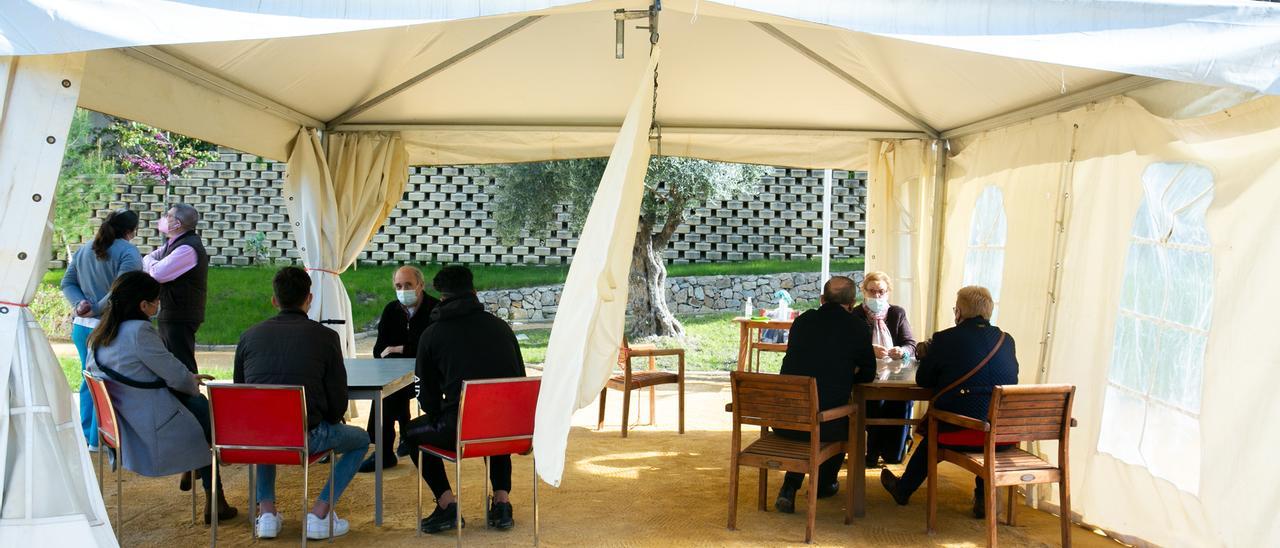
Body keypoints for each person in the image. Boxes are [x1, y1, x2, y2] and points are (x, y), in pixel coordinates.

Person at [85, 271, 238, 523]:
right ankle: (216, 492)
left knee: (196, 407)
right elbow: (176, 376)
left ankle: (199, 472)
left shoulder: (100, 335)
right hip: (151, 424)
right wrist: (190, 382)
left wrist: (185, 381)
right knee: (204, 413)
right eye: (156, 300)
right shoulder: (139, 332)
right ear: (143, 305)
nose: (159, 305)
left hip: (121, 422)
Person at [233, 267, 369, 540]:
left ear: (275, 300)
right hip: (307, 436)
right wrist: (330, 419)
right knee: (361, 440)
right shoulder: (327, 337)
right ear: (309, 298)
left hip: (260, 438)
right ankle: (319, 514)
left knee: (266, 424)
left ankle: (267, 512)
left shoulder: (248, 337)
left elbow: (241, 392)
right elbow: (337, 402)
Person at [404, 265, 526, 534]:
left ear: (442, 297)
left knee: (411, 433)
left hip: (460, 430)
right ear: (474, 292)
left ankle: (447, 505)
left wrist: (438, 413)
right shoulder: (503, 329)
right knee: (494, 418)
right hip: (508, 430)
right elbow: (519, 380)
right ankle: (502, 503)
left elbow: (427, 396)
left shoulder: (432, 335)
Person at [880, 286, 1018, 519]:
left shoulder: (945, 339)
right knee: (984, 418)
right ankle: (983, 499)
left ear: (959, 312)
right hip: (1003, 434)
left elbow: (924, 380)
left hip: (960, 430)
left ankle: (903, 489)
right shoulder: (1006, 340)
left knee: (935, 427)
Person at [772, 276, 877, 514]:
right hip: (824, 425)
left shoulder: (803, 321)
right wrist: (848, 374)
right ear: (852, 303)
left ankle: (790, 486)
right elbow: (868, 374)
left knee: (812, 415)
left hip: (785, 420)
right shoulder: (857, 327)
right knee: (841, 419)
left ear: (822, 299)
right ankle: (824, 484)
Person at [62, 208, 142, 450]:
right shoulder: (128, 252)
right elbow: (122, 291)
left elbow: (67, 282)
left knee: (88, 380)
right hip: (110, 326)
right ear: (131, 231)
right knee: (107, 380)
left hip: (82, 327)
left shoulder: (85, 248)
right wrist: (96, 309)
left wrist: (80, 305)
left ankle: (88, 436)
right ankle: (103, 438)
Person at [360, 266, 440, 473]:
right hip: (395, 373)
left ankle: (385, 450)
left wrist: (398, 348)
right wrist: (400, 350)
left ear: (420, 285)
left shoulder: (435, 309)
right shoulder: (391, 310)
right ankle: (402, 436)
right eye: (398, 286)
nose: (403, 289)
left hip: (427, 375)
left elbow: (429, 348)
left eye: (408, 285)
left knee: (390, 393)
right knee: (386, 390)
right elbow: (380, 349)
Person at [850, 271, 918, 467]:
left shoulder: (897, 313)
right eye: (872, 291)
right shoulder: (856, 315)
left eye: (881, 291)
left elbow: (911, 344)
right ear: (864, 292)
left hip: (896, 374)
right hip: (867, 374)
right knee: (875, 402)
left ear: (888, 292)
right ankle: (871, 452)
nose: (877, 296)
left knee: (903, 400)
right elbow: (849, 346)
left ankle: (893, 452)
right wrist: (868, 350)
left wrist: (901, 350)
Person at [142, 204, 209, 373]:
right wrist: (151, 264)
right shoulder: (174, 244)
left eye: (168, 216)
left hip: (181, 314)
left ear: (177, 224)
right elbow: (149, 259)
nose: (164, 218)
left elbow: (157, 273)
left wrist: (151, 265)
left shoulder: (187, 248)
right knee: (173, 362)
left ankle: (191, 397)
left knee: (181, 365)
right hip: (173, 311)